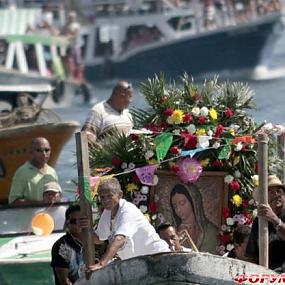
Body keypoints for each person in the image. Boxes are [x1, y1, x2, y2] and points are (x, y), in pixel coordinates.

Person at [88, 177, 169, 271]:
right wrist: (86, 227)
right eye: (102, 197)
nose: (106, 200)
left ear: (120, 195)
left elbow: (119, 239)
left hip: (158, 258)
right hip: (140, 265)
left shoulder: (128, 210)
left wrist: (102, 264)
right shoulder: (107, 212)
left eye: (110, 196)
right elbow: (99, 239)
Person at [246, 175, 285, 272]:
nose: (276, 194)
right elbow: (252, 255)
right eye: (271, 192)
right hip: (268, 273)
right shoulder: (259, 221)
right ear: (264, 198)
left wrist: (275, 220)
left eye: (279, 191)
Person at [8, 137, 58, 205]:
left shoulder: (52, 172)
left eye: (47, 150)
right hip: (30, 215)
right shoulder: (22, 172)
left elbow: (56, 196)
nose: (44, 153)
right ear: (31, 152)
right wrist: (40, 204)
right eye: (38, 150)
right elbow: (13, 201)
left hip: (49, 215)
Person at [170, 183, 217, 252]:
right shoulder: (172, 231)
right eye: (175, 206)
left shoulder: (209, 230)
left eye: (182, 203)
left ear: (194, 202)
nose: (178, 210)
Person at [51, 204, 85, 284]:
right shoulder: (61, 246)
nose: (77, 223)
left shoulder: (95, 241)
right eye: (73, 221)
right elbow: (64, 281)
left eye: (81, 220)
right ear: (67, 223)